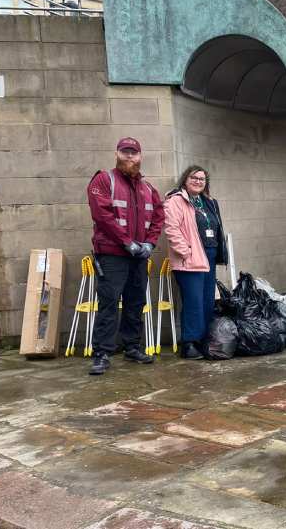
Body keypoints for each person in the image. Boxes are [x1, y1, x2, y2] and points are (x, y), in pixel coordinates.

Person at [85, 137, 165, 375]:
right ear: (117, 154)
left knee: (136, 301)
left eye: (134, 153)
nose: (130, 157)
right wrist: (127, 242)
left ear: (140, 157)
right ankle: (101, 353)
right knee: (109, 302)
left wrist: (150, 243)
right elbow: (103, 216)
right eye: (125, 152)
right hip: (112, 254)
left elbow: (158, 217)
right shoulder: (103, 179)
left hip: (139, 255)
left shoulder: (148, 188)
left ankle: (132, 347)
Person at [164, 165, 228, 359]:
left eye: (202, 179)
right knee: (193, 301)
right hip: (189, 258)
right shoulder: (176, 200)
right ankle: (189, 343)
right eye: (194, 177)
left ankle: (204, 340)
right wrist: (186, 252)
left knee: (207, 300)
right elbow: (171, 229)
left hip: (209, 254)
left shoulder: (208, 202)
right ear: (185, 179)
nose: (198, 181)